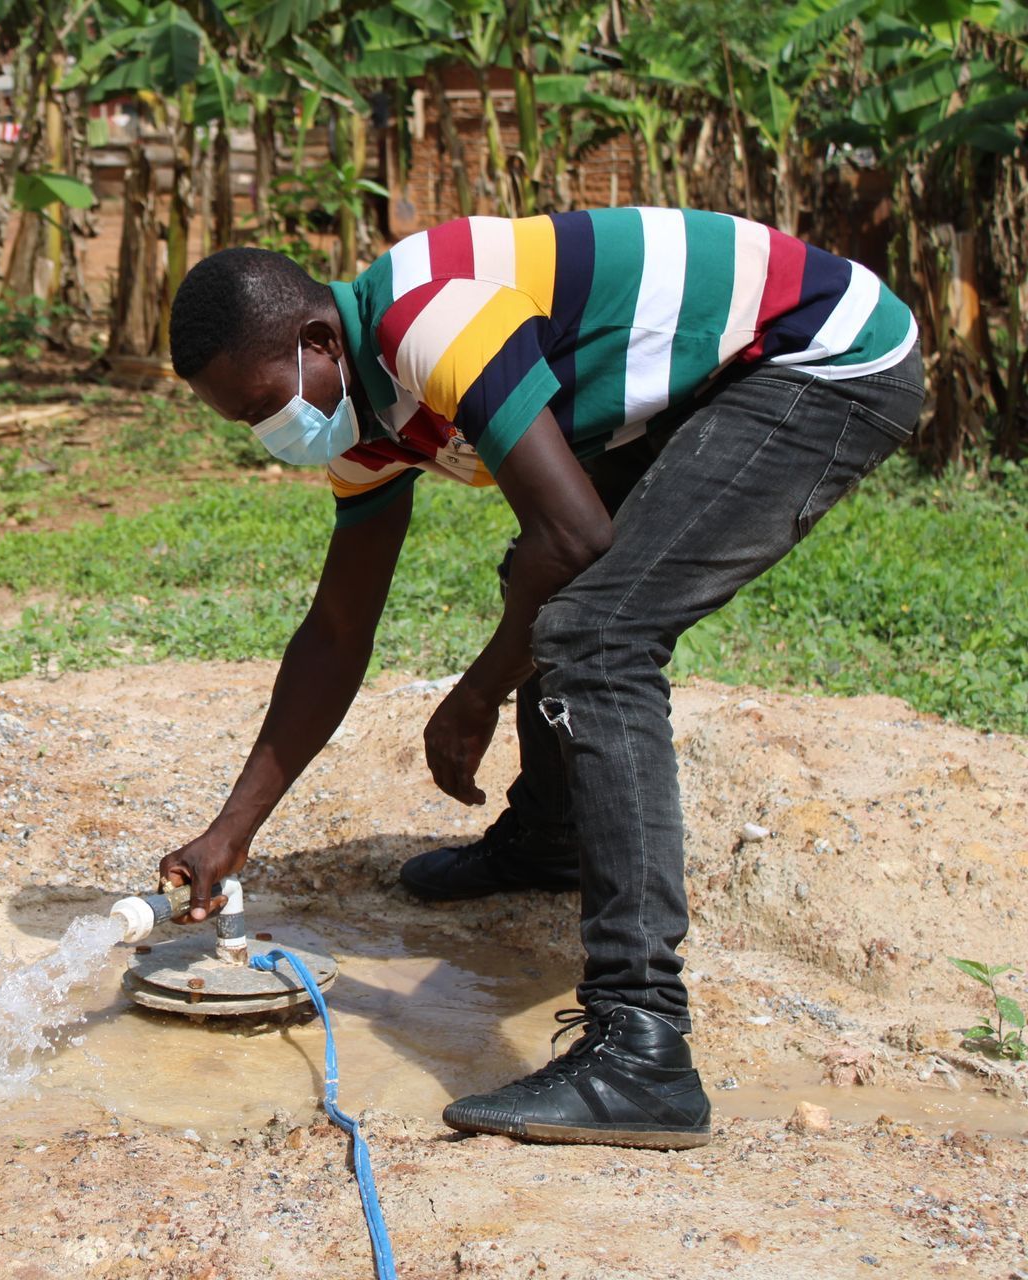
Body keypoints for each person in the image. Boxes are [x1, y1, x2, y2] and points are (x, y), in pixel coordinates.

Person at [159, 209, 923, 1149]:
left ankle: (643, 1050)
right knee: (550, 588)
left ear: (318, 340)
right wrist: (230, 831)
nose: (265, 433)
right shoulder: (364, 418)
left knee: (594, 631)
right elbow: (337, 633)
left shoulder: (428, 321)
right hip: (713, 384)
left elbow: (577, 538)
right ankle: (554, 839)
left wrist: (477, 692)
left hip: (819, 356)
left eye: (259, 407)